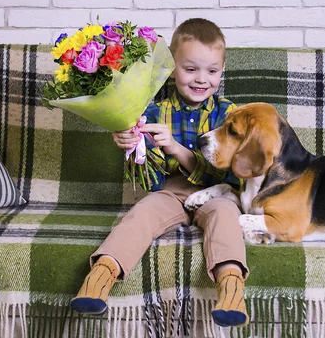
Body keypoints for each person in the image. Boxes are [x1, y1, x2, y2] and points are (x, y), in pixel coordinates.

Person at [70, 18, 249, 328]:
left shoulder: (230, 115)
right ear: (172, 67)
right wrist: (130, 142)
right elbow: (149, 177)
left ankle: (231, 288)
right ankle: (101, 276)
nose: (201, 79)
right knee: (142, 213)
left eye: (212, 71)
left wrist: (177, 149)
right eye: (190, 69)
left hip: (216, 193)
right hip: (171, 192)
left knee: (225, 216)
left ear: (222, 70)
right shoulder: (154, 110)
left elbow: (230, 175)